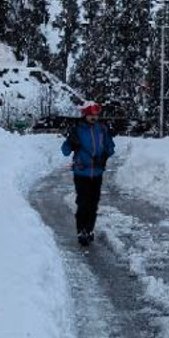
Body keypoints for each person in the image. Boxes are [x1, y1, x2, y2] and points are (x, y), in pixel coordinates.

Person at [61, 100, 115, 247]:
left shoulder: (102, 129)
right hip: (81, 172)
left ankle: (90, 230)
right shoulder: (77, 130)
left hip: (97, 172)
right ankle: (81, 231)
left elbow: (110, 148)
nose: (94, 117)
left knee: (93, 203)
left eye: (96, 115)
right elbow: (65, 151)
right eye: (91, 115)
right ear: (85, 115)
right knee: (83, 203)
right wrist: (70, 141)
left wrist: (105, 153)